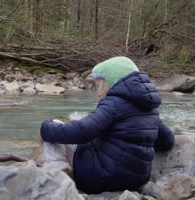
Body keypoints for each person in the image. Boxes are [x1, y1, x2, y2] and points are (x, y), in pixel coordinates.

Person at [39, 56, 174, 194]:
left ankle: (62, 180)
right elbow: (168, 141)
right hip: (138, 179)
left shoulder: (113, 103)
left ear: (110, 82)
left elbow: (82, 131)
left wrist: (45, 127)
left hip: (102, 178)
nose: (98, 94)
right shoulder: (151, 108)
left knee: (52, 128)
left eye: (98, 86)